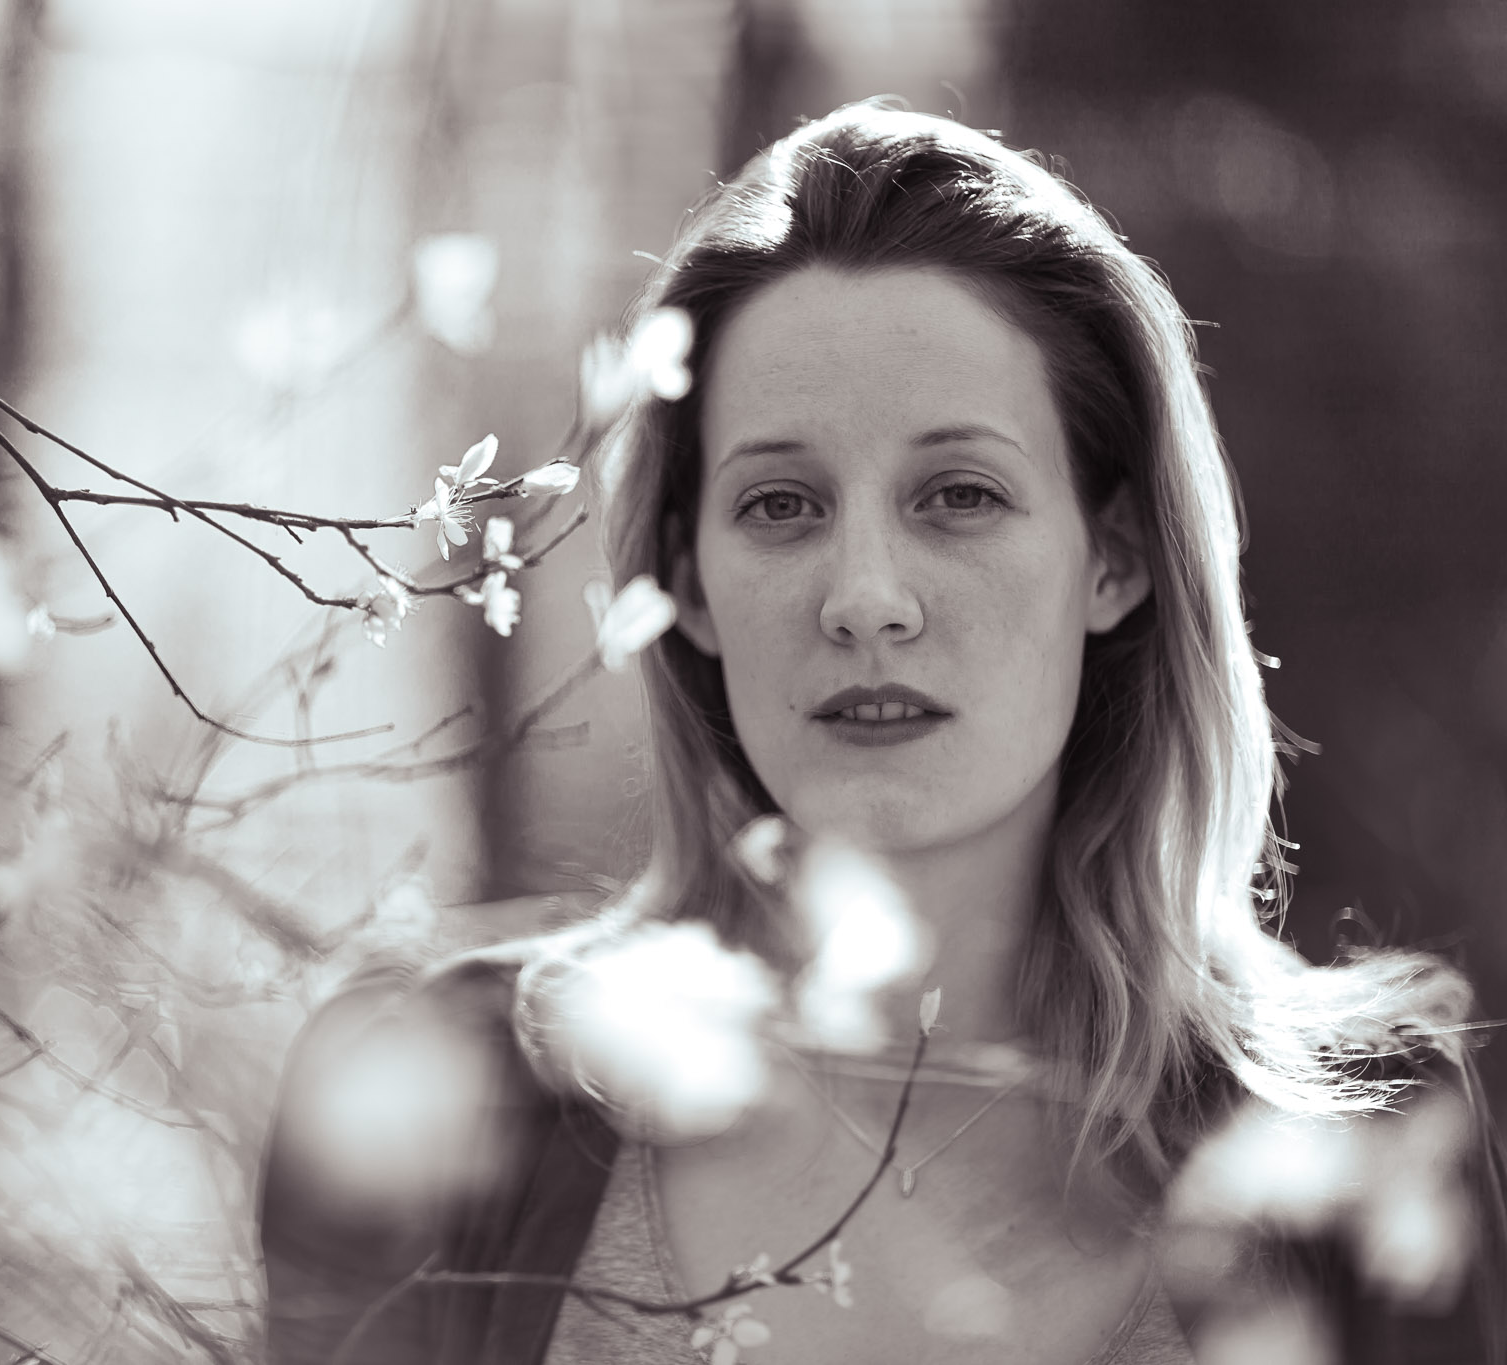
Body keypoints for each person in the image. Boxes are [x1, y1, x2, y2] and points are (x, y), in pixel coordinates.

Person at [259, 101, 1505, 1365]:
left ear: (1114, 557)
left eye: (957, 495)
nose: (862, 598)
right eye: (780, 503)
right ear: (682, 579)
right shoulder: (430, 1091)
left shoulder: (1352, 1141)